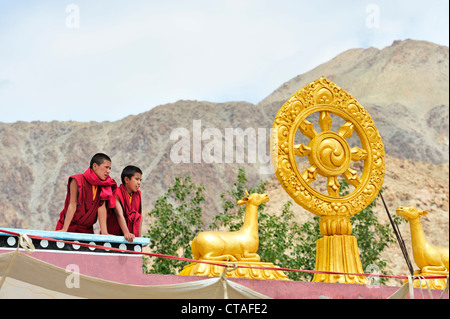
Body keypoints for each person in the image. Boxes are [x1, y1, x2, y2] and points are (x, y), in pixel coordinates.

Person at [55, 153, 117, 234]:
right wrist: (64, 229)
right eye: (106, 167)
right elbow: (72, 204)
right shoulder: (77, 180)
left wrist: (105, 233)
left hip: (86, 230)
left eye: (110, 168)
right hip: (69, 227)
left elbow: (101, 208)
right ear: (94, 166)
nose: (108, 171)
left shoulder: (104, 185)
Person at [106, 165, 143, 243]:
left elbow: (138, 217)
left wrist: (139, 238)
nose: (139, 183)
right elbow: (119, 215)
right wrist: (126, 233)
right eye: (136, 179)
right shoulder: (117, 193)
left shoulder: (137, 195)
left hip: (131, 237)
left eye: (140, 180)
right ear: (126, 179)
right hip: (114, 235)